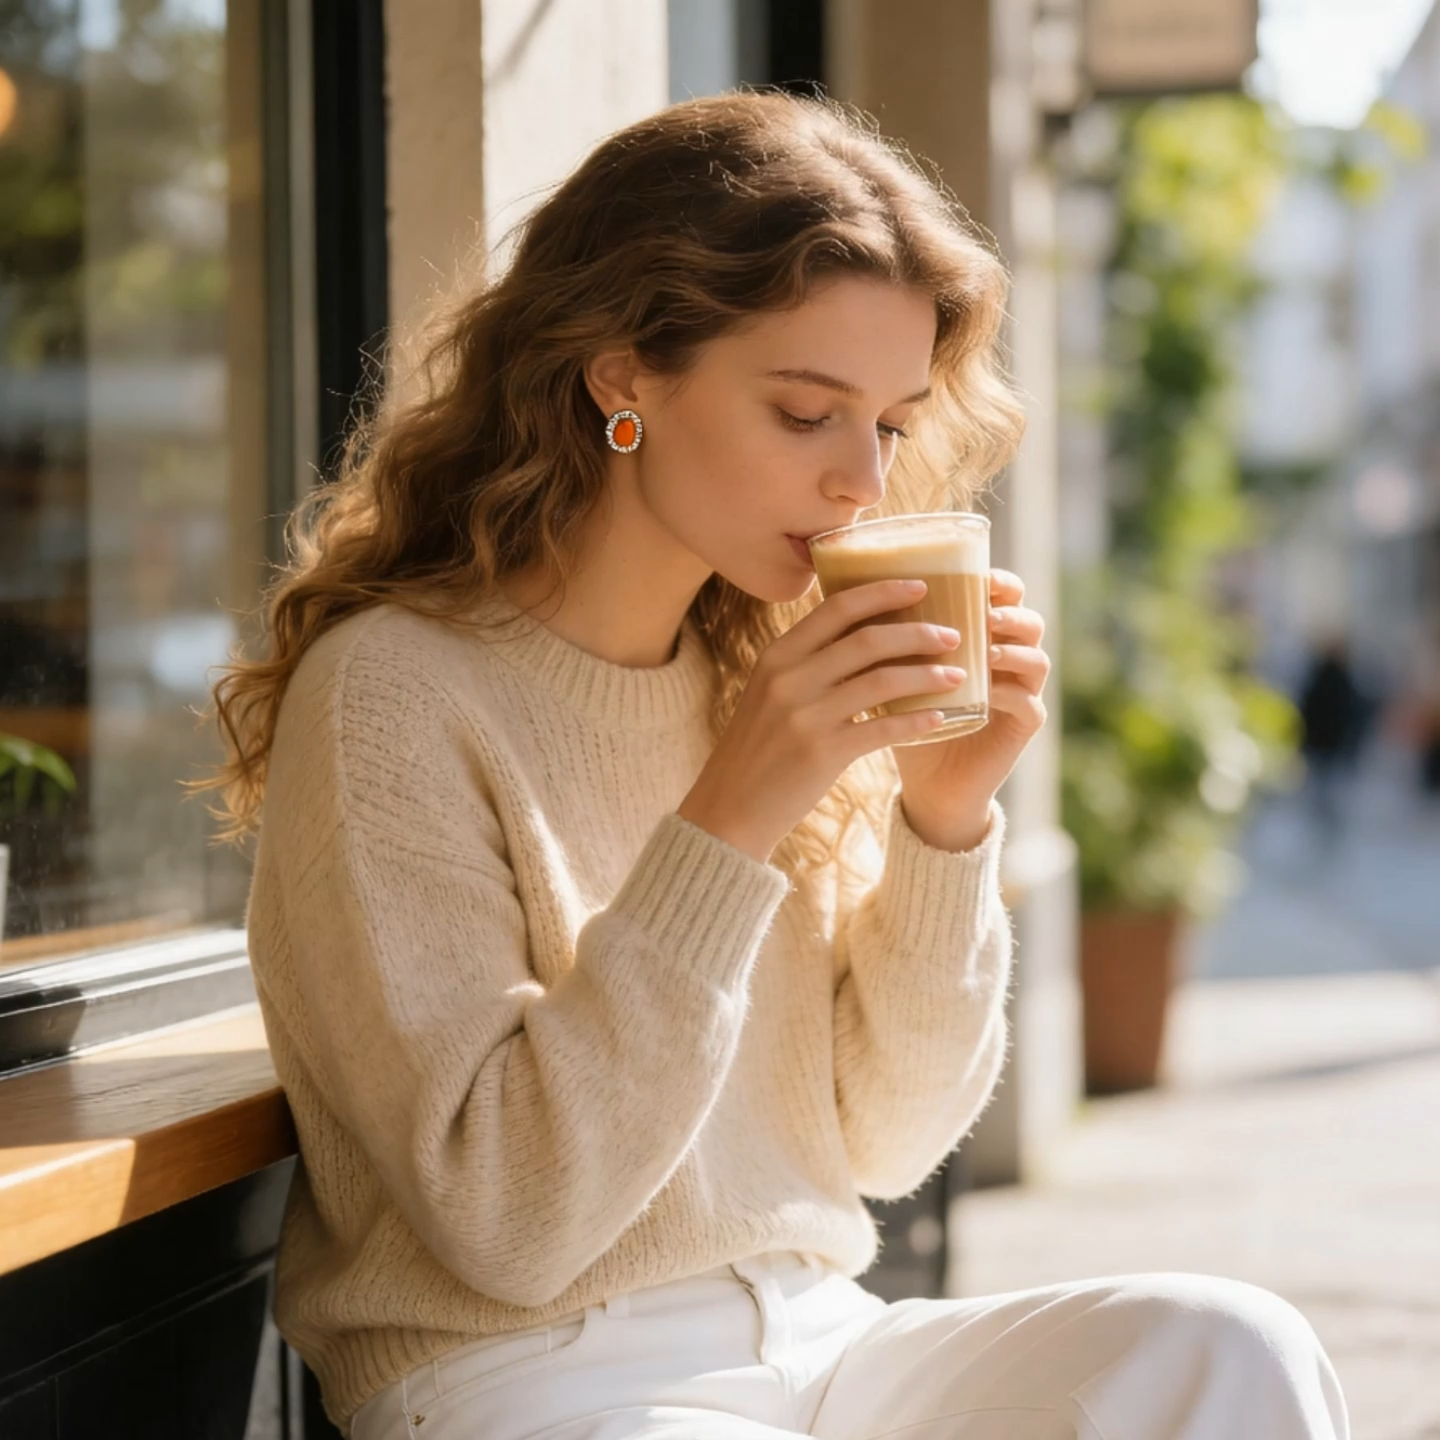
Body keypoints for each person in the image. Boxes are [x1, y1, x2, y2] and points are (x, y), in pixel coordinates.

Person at [198, 93, 1348, 1440]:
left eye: (891, 422)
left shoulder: (757, 671)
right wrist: (733, 814)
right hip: (539, 1372)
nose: (862, 479)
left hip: (825, 1342)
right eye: (807, 413)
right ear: (622, 374)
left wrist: (945, 815)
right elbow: (507, 1220)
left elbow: (886, 1141)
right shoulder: (394, 695)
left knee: (1226, 1347)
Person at [1295, 636, 1370, 846]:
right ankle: (1323, 829)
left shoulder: (1325, 677)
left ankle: (1325, 828)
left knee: (1324, 789)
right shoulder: (1337, 679)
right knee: (1324, 789)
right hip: (1327, 743)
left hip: (1324, 743)